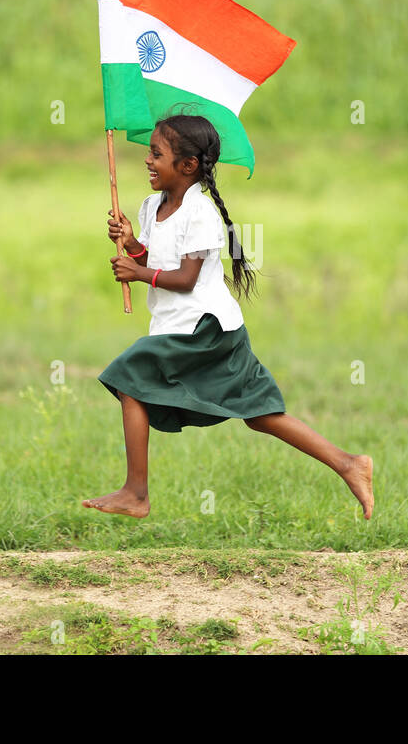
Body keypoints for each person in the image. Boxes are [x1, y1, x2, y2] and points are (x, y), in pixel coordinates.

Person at [87, 114, 374, 519]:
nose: (147, 160)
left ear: (187, 166)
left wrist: (139, 274)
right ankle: (349, 464)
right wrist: (133, 244)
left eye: (157, 153)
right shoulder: (152, 206)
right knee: (259, 415)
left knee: (128, 377)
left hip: (205, 328)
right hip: (196, 327)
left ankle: (136, 492)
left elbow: (185, 279)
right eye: (148, 152)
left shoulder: (198, 212)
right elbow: (157, 262)